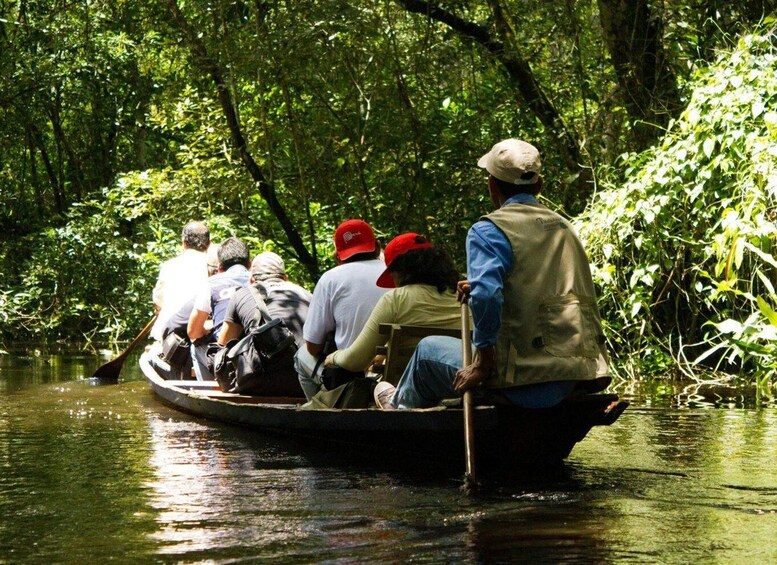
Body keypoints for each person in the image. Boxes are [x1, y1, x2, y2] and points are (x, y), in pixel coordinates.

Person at [374, 139, 609, 410]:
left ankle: (398, 408)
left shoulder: (488, 230)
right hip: (577, 374)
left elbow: (487, 296)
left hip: (521, 379)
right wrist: (478, 286)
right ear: (539, 186)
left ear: (492, 186)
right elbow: (533, 285)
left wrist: (483, 363)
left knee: (427, 350)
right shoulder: (566, 228)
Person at [324, 233, 463, 376]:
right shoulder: (464, 297)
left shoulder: (396, 299)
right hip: (464, 384)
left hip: (408, 390)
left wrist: (334, 356)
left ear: (399, 270)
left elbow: (355, 361)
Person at [296, 219, 388, 399]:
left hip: (350, 375)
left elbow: (313, 347)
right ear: (377, 248)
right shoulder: (396, 275)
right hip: (395, 373)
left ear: (338, 257)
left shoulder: (330, 279)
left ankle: (322, 409)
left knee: (300, 356)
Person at [187, 236, 252, 380]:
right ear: (250, 264)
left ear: (220, 268)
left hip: (227, 355)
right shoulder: (258, 281)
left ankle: (212, 389)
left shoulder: (211, 284)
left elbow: (193, 332)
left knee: (196, 346)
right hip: (257, 352)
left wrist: (210, 327)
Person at [218, 251, 312, 348]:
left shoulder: (240, 295)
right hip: (309, 360)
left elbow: (224, 342)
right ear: (285, 278)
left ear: (251, 280)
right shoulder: (307, 295)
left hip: (268, 361)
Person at [150, 221, 210, 343]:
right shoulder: (214, 266)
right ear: (208, 244)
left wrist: (158, 308)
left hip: (168, 336)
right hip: (198, 335)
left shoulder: (169, 265)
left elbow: (158, 301)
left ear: (184, 243)